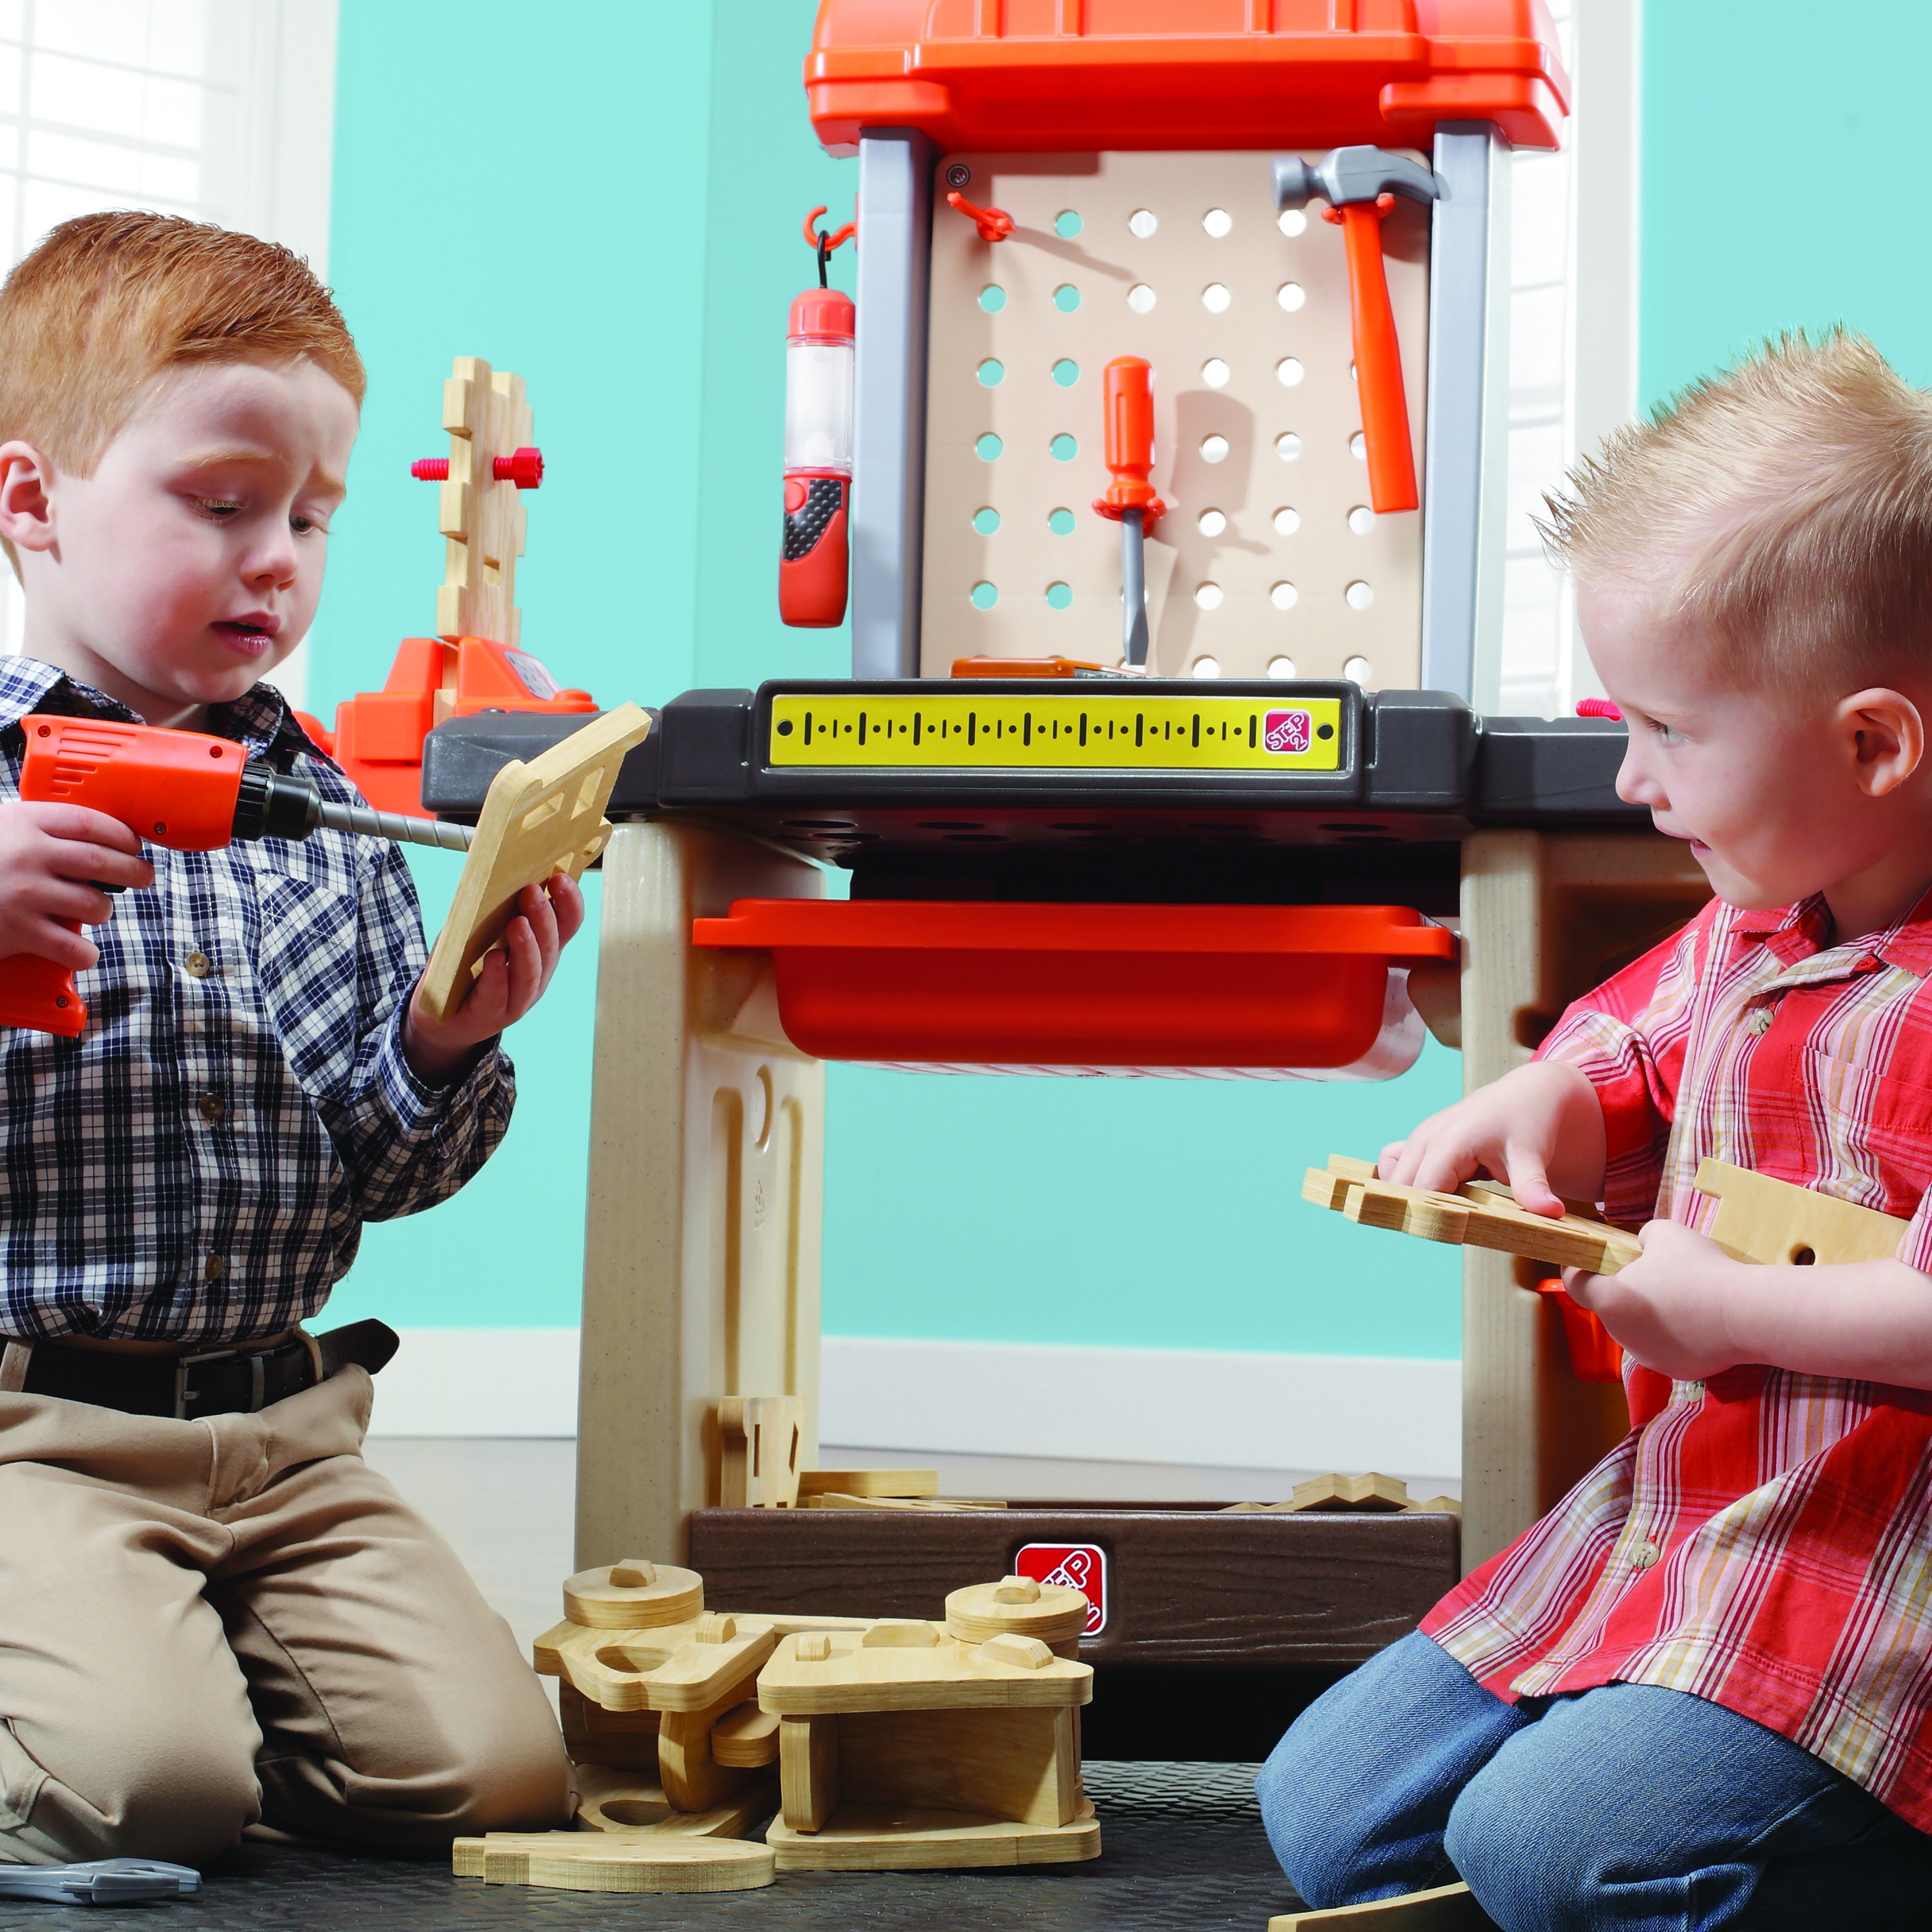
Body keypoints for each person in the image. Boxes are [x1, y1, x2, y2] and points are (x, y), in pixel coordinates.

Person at [1259, 331, 1932, 1929]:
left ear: (1872, 742)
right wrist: (1541, 1096)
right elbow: (1624, 1041)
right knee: (1324, 1812)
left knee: (1558, 1848)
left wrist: (1727, 1308)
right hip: (1676, 1526)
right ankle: (1652, 1805)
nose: (1628, 773)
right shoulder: (1760, 919)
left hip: (1866, 1578)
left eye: (1668, 730)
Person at [0, 213, 576, 1866]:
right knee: (147, 1789)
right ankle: (122, 1670)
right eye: (223, 502)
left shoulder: (325, 814)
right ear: (32, 502)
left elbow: (389, 1168)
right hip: (37, 1429)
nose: (280, 558)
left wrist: (443, 1045)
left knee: (491, 1781)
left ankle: (163, 1649)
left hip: (283, 1435)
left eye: (313, 515)